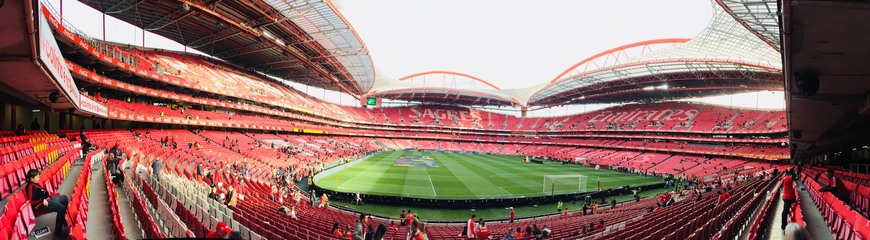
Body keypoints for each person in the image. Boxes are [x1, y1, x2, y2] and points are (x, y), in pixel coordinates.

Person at [24, 169, 69, 237]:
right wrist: (41, 200)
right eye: (37, 177)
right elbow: (31, 202)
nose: (39, 179)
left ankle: (62, 219)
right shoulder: (30, 187)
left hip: (47, 199)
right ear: (31, 179)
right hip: (40, 205)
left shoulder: (35, 183)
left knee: (65, 198)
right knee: (61, 209)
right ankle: (58, 232)